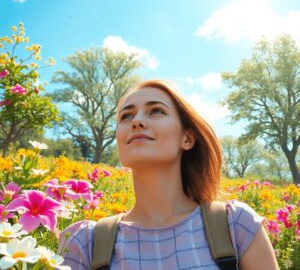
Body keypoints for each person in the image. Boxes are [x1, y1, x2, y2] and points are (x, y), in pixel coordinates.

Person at [58, 79, 279, 269]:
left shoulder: (236, 225)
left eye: (156, 111)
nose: (137, 121)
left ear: (187, 139)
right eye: (126, 116)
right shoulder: (85, 242)